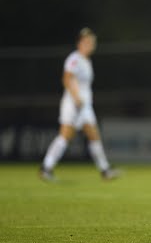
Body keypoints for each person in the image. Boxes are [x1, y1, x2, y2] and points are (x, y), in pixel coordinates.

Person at [39, 27, 119, 182]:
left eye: (92, 42)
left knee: (94, 136)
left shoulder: (86, 61)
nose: (90, 44)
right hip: (73, 104)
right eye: (87, 42)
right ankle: (45, 168)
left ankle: (105, 170)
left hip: (85, 106)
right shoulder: (74, 58)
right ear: (80, 43)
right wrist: (76, 97)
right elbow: (67, 78)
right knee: (65, 136)